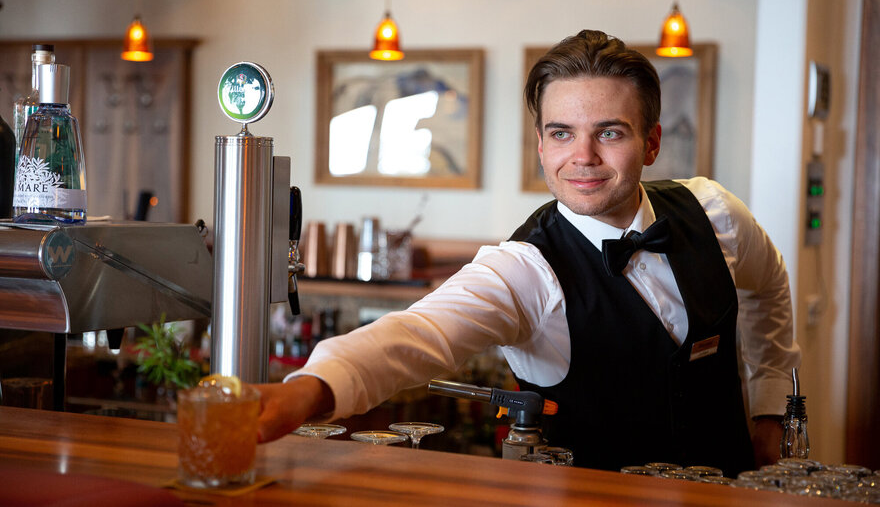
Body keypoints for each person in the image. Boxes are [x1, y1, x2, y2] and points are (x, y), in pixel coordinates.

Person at [254, 29, 800, 476]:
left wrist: (769, 410)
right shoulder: (525, 269)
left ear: (651, 142)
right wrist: (310, 389)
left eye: (609, 133)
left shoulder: (713, 212)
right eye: (562, 134)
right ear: (540, 144)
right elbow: (417, 333)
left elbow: (771, 284)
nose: (582, 156)